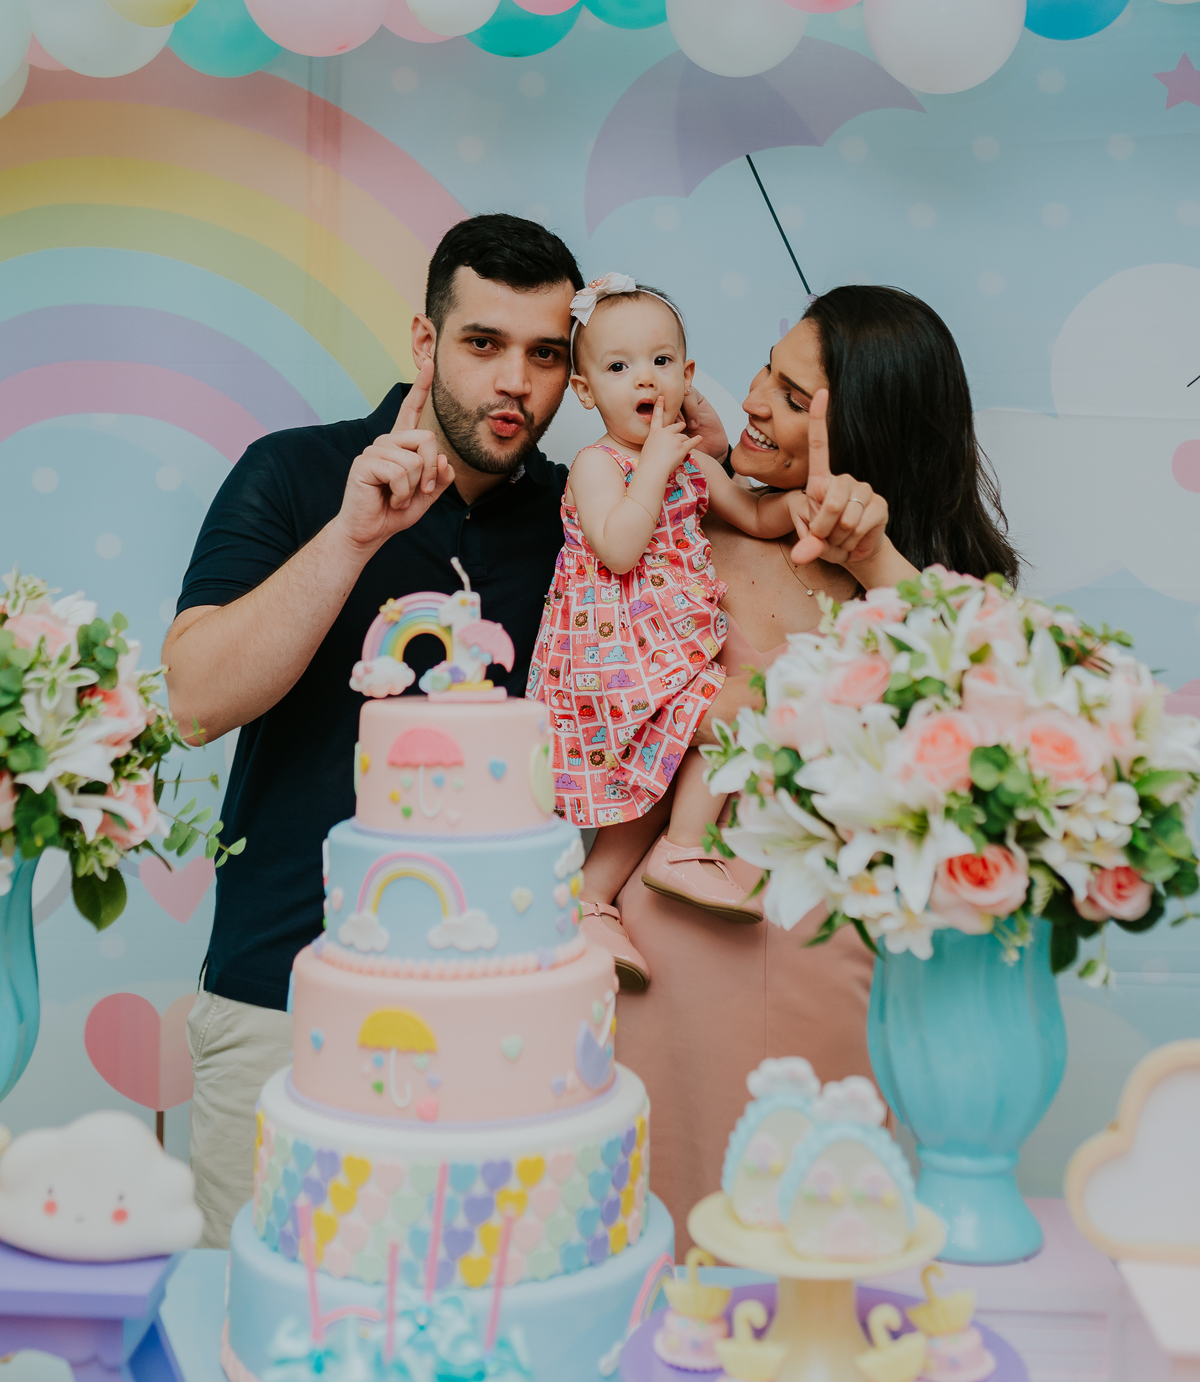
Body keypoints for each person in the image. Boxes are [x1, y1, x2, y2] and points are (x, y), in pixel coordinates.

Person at [164, 215, 731, 1246]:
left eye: (547, 354)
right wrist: (351, 537)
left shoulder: (586, 518)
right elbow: (195, 700)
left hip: (504, 1023)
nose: (517, 380)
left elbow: (709, 618)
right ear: (425, 344)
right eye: (483, 344)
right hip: (282, 997)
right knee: (264, 1339)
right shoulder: (294, 474)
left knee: (474, 1345)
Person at [613, 284, 1021, 1250]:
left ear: (871, 434)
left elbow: (1004, 725)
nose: (754, 399)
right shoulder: (674, 520)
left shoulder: (920, 583)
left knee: (820, 1257)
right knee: (645, 1253)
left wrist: (873, 559)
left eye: (798, 401)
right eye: (767, 368)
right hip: (662, 952)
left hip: (839, 963)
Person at [527, 273, 822, 947]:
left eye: (661, 363)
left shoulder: (695, 462)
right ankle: (677, 851)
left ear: (687, 374)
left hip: (671, 649)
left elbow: (748, 510)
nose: (645, 381)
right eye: (619, 366)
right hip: (612, 654)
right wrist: (656, 463)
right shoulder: (597, 465)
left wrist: (795, 505)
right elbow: (621, 546)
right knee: (719, 723)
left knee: (677, 753)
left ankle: (599, 896)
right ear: (584, 389)